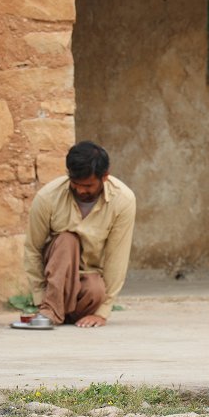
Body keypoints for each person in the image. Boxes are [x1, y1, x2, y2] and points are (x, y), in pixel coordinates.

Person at [24, 140, 136, 328]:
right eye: (75, 184)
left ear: (105, 177)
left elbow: (117, 258)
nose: (80, 190)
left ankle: (63, 314)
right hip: (54, 278)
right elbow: (32, 250)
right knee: (68, 240)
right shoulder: (47, 197)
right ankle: (50, 309)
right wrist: (40, 298)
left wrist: (102, 313)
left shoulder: (123, 200)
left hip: (86, 283)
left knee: (96, 289)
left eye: (88, 185)